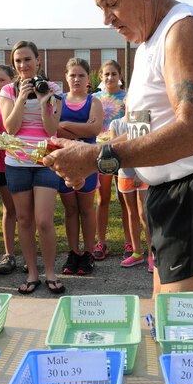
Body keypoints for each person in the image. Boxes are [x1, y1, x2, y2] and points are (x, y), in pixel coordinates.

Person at [44, 0, 193, 294]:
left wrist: (95, 158)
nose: (107, 19)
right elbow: (143, 125)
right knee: (167, 319)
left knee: (184, 327)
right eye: (101, 8)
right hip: (169, 192)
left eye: (111, 4)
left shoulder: (183, 31)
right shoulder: (148, 43)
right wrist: (86, 154)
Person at [0, 40, 65, 295]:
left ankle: (50, 272)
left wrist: (43, 98)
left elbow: (51, 129)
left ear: (38, 60)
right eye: (18, 61)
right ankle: (33, 273)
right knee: (25, 220)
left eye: (28, 59)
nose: (23, 65)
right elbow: (10, 128)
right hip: (17, 162)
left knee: (44, 220)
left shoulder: (54, 88)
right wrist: (22, 98)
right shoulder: (8, 90)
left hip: (45, 160)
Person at [56, 58, 103, 274]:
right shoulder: (59, 101)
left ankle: (88, 253)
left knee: (86, 209)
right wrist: (81, 127)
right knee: (70, 210)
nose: (76, 79)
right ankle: (73, 252)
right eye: (72, 75)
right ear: (66, 77)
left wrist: (64, 125)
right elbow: (52, 131)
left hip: (88, 164)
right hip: (63, 163)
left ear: (88, 79)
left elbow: (94, 131)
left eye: (81, 75)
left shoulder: (94, 102)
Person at [92, 59, 130, 261]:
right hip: (102, 153)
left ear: (120, 75)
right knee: (102, 198)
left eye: (113, 74)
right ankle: (101, 242)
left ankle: (130, 241)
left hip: (123, 153)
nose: (109, 78)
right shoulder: (95, 98)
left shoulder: (128, 97)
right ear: (100, 76)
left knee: (126, 200)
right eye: (106, 74)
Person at [109, 114, 153, 273]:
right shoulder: (115, 123)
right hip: (124, 174)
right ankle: (137, 252)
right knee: (131, 213)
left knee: (144, 214)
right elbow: (115, 149)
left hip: (142, 173)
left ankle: (152, 255)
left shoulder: (142, 119)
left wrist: (138, 173)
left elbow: (145, 147)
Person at [0, 65, 18, 274]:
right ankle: (9, 253)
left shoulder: (22, 102)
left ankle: (30, 253)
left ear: (13, 79)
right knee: (10, 209)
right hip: (1, 164)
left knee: (28, 212)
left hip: (24, 161)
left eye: (2, 80)